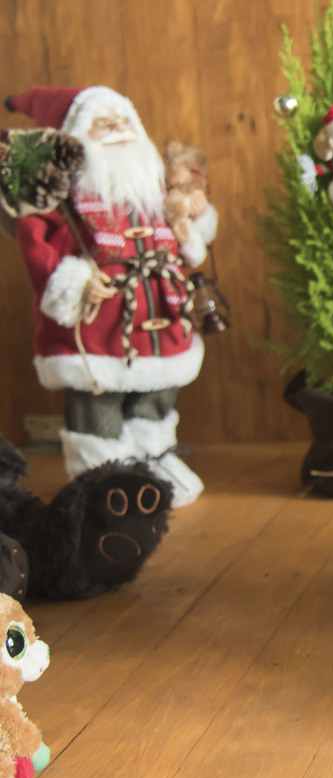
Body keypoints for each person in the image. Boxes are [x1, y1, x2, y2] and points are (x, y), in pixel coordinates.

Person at [6, 85, 214, 506]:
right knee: (98, 397)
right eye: (103, 123)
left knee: (158, 391)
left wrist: (189, 229)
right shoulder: (61, 197)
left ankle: (154, 459)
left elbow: (185, 242)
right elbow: (35, 244)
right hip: (99, 321)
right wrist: (75, 280)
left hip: (160, 313)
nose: (119, 129)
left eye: (124, 120)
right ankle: (102, 479)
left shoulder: (156, 190)